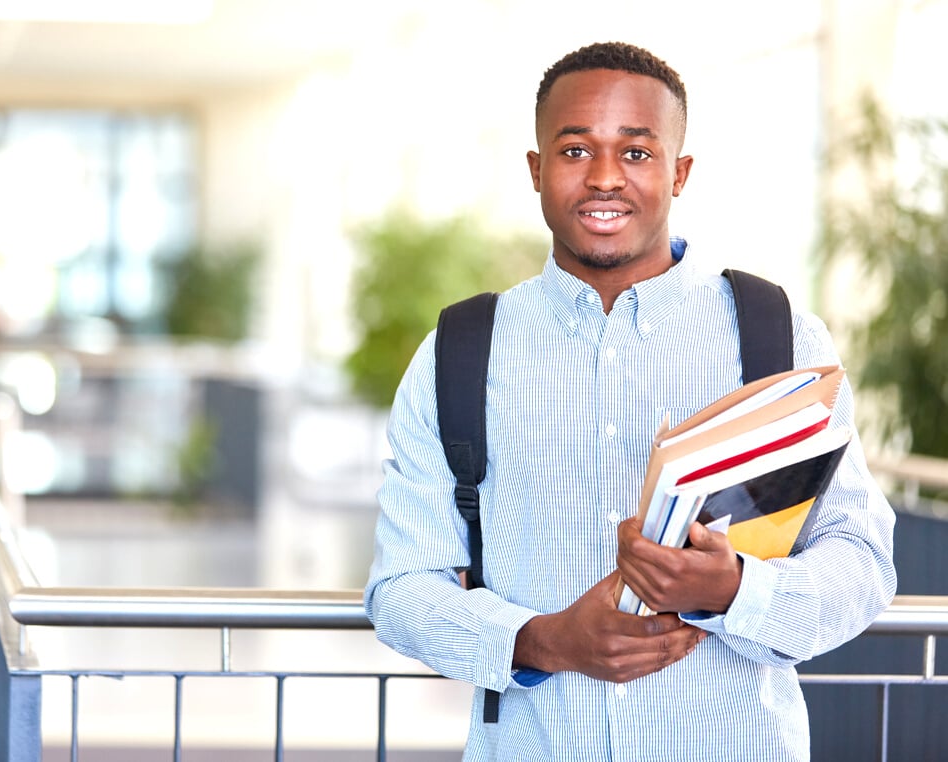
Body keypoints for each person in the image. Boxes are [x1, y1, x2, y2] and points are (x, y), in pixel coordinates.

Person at [363, 41, 896, 761]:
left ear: (678, 172)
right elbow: (400, 587)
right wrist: (541, 640)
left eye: (637, 154)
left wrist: (735, 589)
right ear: (536, 170)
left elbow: (860, 561)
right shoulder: (460, 352)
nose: (605, 178)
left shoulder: (780, 339)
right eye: (575, 150)